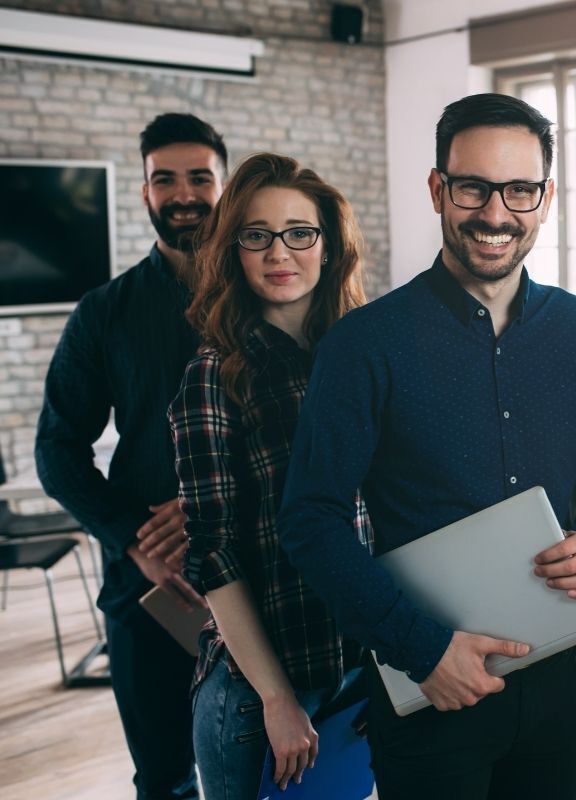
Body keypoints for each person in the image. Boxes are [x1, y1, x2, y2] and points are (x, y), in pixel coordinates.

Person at [275, 93, 576, 799]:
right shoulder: (363, 345)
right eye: (473, 187)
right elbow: (309, 519)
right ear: (438, 188)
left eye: (520, 190)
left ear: (547, 197)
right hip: (429, 689)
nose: (496, 214)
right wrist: (423, 650)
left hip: (558, 680)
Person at [35, 112, 226, 800]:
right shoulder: (103, 313)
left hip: (266, 572)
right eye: (164, 179)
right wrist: (134, 540)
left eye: (199, 177)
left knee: (281, 764)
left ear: (225, 187)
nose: (183, 193)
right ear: (143, 193)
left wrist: (214, 500)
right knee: (167, 778)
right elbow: (57, 450)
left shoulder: (274, 295)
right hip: (152, 591)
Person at [167, 153, 371, 798]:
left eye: (299, 232)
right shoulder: (213, 375)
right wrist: (278, 699)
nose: (279, 252)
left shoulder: (360, 358)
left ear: (328, 246)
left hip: (360, 665)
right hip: (263, 695)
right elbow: (213, 553)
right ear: (234, 250)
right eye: (256, 235)